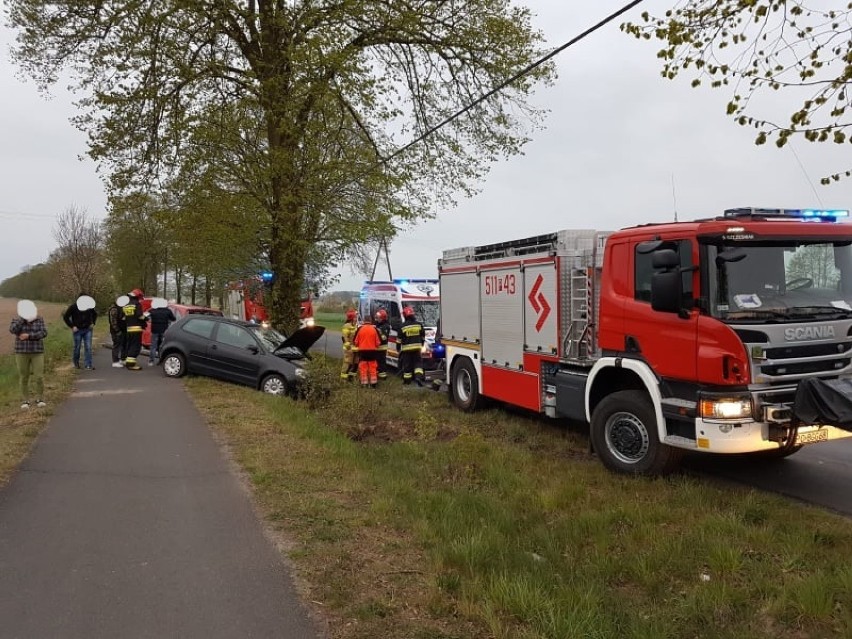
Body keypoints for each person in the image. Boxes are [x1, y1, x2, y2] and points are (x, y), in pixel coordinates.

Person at [9, 300, 48, 409]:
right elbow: (12, 330)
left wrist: (29, 336)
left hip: (37, 351)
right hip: (21, 352)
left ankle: (40, 398)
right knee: (24, 376)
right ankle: (25, 400)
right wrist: (22, 319)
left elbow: (43, 333)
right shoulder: (16, 320)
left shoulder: (39, 319)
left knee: (39, 376)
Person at [63, 293, 98, 370]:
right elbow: (66, 317)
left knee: (88, 347)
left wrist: (93, 323)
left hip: (87, 329)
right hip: (77, 330)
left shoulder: (89, 306)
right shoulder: (73, 307)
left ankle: (88, 364)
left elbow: (95, 314)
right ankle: (76, 363)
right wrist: (72, 326)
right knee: (77, 347)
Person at [120, 289, 147, 370]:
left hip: (129, 329)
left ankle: (127, 361)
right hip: (136, 329)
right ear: (137, 296)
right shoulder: (137, 304)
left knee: (129, 345)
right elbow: (140, 316)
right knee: (135, 347)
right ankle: (131, 365)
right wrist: (146, 318)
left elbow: (123, 317)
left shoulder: (126, 305)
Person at [352, 314, 382, 388]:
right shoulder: (374, 329)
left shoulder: (360, 329)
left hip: (362, 352)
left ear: (364, 321)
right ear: (371, 321)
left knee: (363, 367)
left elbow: (355, 342)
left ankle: (364, 383)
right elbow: (378, 342)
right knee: (372, 367)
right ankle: (373, 384)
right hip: (372, 352)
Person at [398, 306, 425, 386]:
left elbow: (398, 340)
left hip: (406, 350)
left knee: (407, 366)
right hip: (417, 349)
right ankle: (418, 377)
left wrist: (398, 348)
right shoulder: (419, 325)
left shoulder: (402, 326)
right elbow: (423, 336)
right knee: (418, 364)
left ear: (405, 315)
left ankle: (407, 382)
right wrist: (422, 344)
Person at [147, 301, 176, 365]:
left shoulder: (152, 310)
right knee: (163, 346)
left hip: (154, 330)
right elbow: (174, 319)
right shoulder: (168, 311)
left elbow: (145, 317)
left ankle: (151, 361)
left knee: (153, 346)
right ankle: (161, 360)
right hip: (164, 330)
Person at [108, 295, 129, 368]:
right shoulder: (114, 309)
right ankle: (115, 361)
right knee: (117, 345)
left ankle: (123, 359)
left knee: (124, 344)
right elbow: (113, 322)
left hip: (123, 329)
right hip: (116, 331)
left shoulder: (122, 308)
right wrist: (117, 330)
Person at [340, 309, 358, 381]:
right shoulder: (347, 326)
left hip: (355, 348)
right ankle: (344, 378)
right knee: (348, 363)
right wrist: (348, 347)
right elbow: (344, 337)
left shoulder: (355, 325)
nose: (356, 318)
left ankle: (351, 377)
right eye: (355, 317)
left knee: (356, 363)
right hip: (349, 349)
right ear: (352, 318)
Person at [374, 308, 391, 381]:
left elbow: (384, 338)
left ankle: (383, 376)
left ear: (382, 318)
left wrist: (377, 336)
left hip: (382, 347)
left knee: (381, 362)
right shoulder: (378, 325)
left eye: (378, 318)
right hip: (378, 347)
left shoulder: (385, 326)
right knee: (378, 361)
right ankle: (379, 374)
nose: (377, 319)